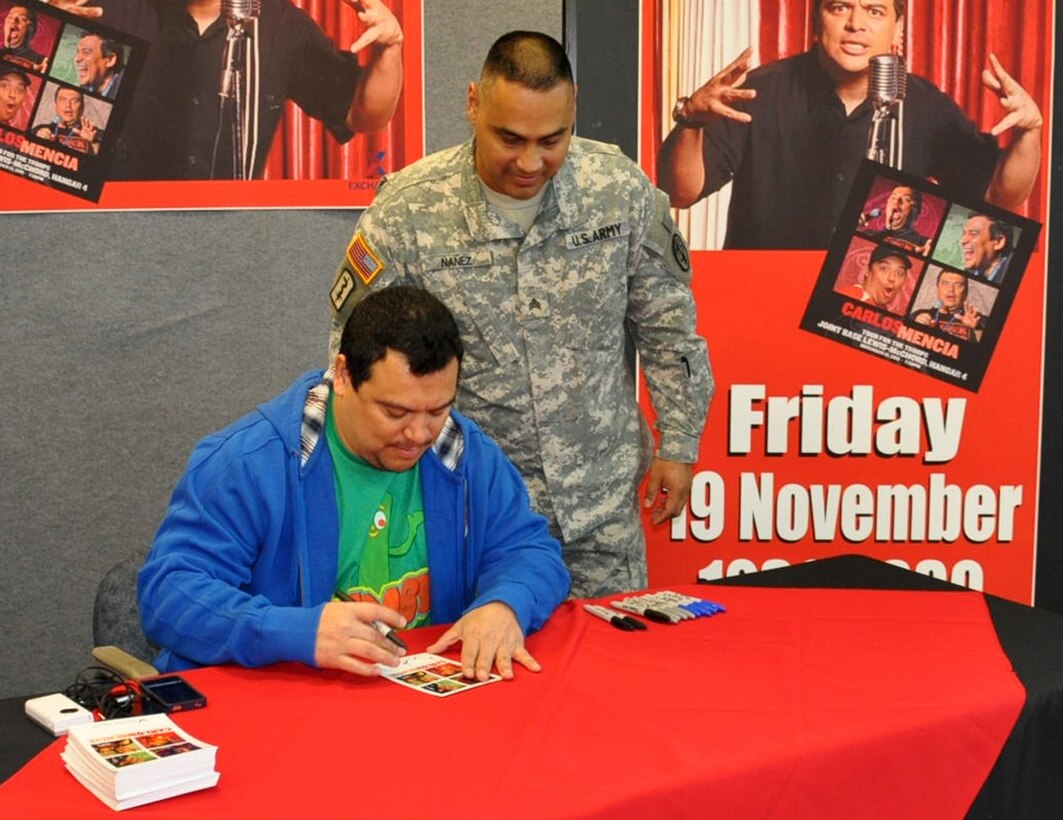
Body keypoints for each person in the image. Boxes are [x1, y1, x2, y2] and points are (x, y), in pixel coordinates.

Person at [327, 31, 713, 598]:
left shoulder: (617, 189)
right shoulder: (408, 212)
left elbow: (668, 324)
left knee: (609, 675)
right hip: (467, 516)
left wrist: (679, 442)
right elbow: (351, 362)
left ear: (573, 107)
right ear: (473, 105)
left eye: (552, 139)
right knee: (480, 673)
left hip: (598, 509)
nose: (530, 161)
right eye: (509, 138)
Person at [138, 286, 570, 680]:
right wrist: (297, 631)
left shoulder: (465, 452)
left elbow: (530, 550)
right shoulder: (248, 463)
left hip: (410, 704)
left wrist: (506, 602)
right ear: (342, 376)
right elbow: (168, 595)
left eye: (437, 409)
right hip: (278, 697)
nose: (419, 434)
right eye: (395, 413)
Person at [657, 0, 1043, 249]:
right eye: (840, 7)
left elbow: (999, 196)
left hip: (868, 317)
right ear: (816, 19)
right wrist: (691, 120)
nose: (856, 24)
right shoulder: (758, 92)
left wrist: (1030, 132)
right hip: (766, 300)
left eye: (874, 11)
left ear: (898, 29)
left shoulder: (927, 106)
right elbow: (680, 193)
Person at [51, 0, 403, 180]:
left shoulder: (281, 26)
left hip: (232, 243)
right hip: (119, 236)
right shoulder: (107, 10)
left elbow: (362, 113)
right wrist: (44, 26)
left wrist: (391, 46)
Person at [911, 269, 984, 341]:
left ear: (966, 292)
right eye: (945, 283)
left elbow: (987, 349)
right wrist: (916, 327)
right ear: (937, 289)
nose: (951, 289)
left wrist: (977, 329)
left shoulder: (979, 320)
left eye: (958, 285)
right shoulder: (918, 316)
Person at [862, 184, 930, 255]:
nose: (896, 202)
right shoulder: (868, 234)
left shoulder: (925, 244)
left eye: (906, 199)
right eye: (893, 198)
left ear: (916, 214)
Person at [839, 244, 911, 309]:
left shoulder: (879, 309)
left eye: (900, 273)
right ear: (868, 271)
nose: (892, 278)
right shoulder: (852, 298)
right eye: (884, 269)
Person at [33, 86, 101, 154]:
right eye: (63, 99)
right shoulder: (39, 131)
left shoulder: (95, 134)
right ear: (56, 105)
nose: (68, 105)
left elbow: (105, 160)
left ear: (82, 107)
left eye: (74, 101)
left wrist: (94, 142)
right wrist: (37, 141)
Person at [960, 212, 1012, 283]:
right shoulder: (969, 272)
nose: (963, 241)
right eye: (964, 233)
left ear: (999, 242)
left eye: (973, 234)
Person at [73, 32, 124, 98]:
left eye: (86, 52)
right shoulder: (83, 88)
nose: (76, 59)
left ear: (110, 60)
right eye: (78, 52)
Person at [1, 3, 47, 71]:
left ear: (32, 30)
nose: (13, 21)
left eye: (23, 19)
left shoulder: (41, 62)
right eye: (10, 17)